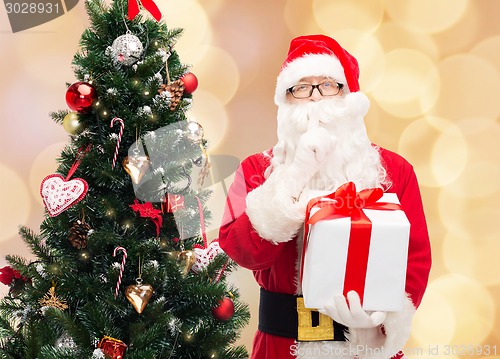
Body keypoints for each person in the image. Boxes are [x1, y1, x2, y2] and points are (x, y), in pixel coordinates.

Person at [218, 34, 432, 359]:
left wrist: (379, 327)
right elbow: (242, 251)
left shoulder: (395, 170)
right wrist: (295, 175)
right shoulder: (255, 169)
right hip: (280, 347)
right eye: (301, 87)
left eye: (329, 85)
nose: (316, 98)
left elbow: (415, 260)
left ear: (349, 96)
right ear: (286, 100)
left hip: (365, 350)